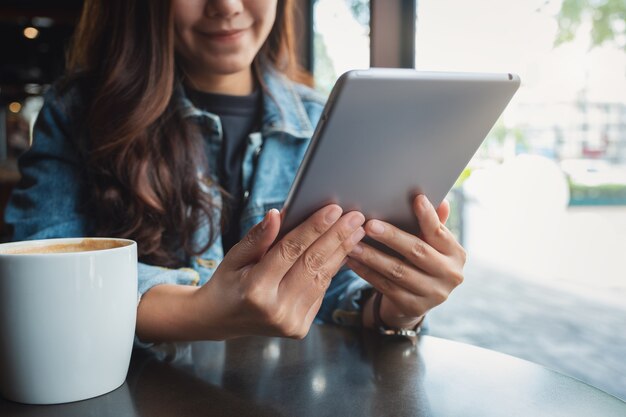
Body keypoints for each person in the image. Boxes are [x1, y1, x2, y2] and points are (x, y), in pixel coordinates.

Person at [5, 0, 466, 344]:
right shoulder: (81, 111)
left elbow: (334, 289)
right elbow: (36, 272)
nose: (225, 6)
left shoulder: (320, 116)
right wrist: (198, 312)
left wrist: (394, 307)